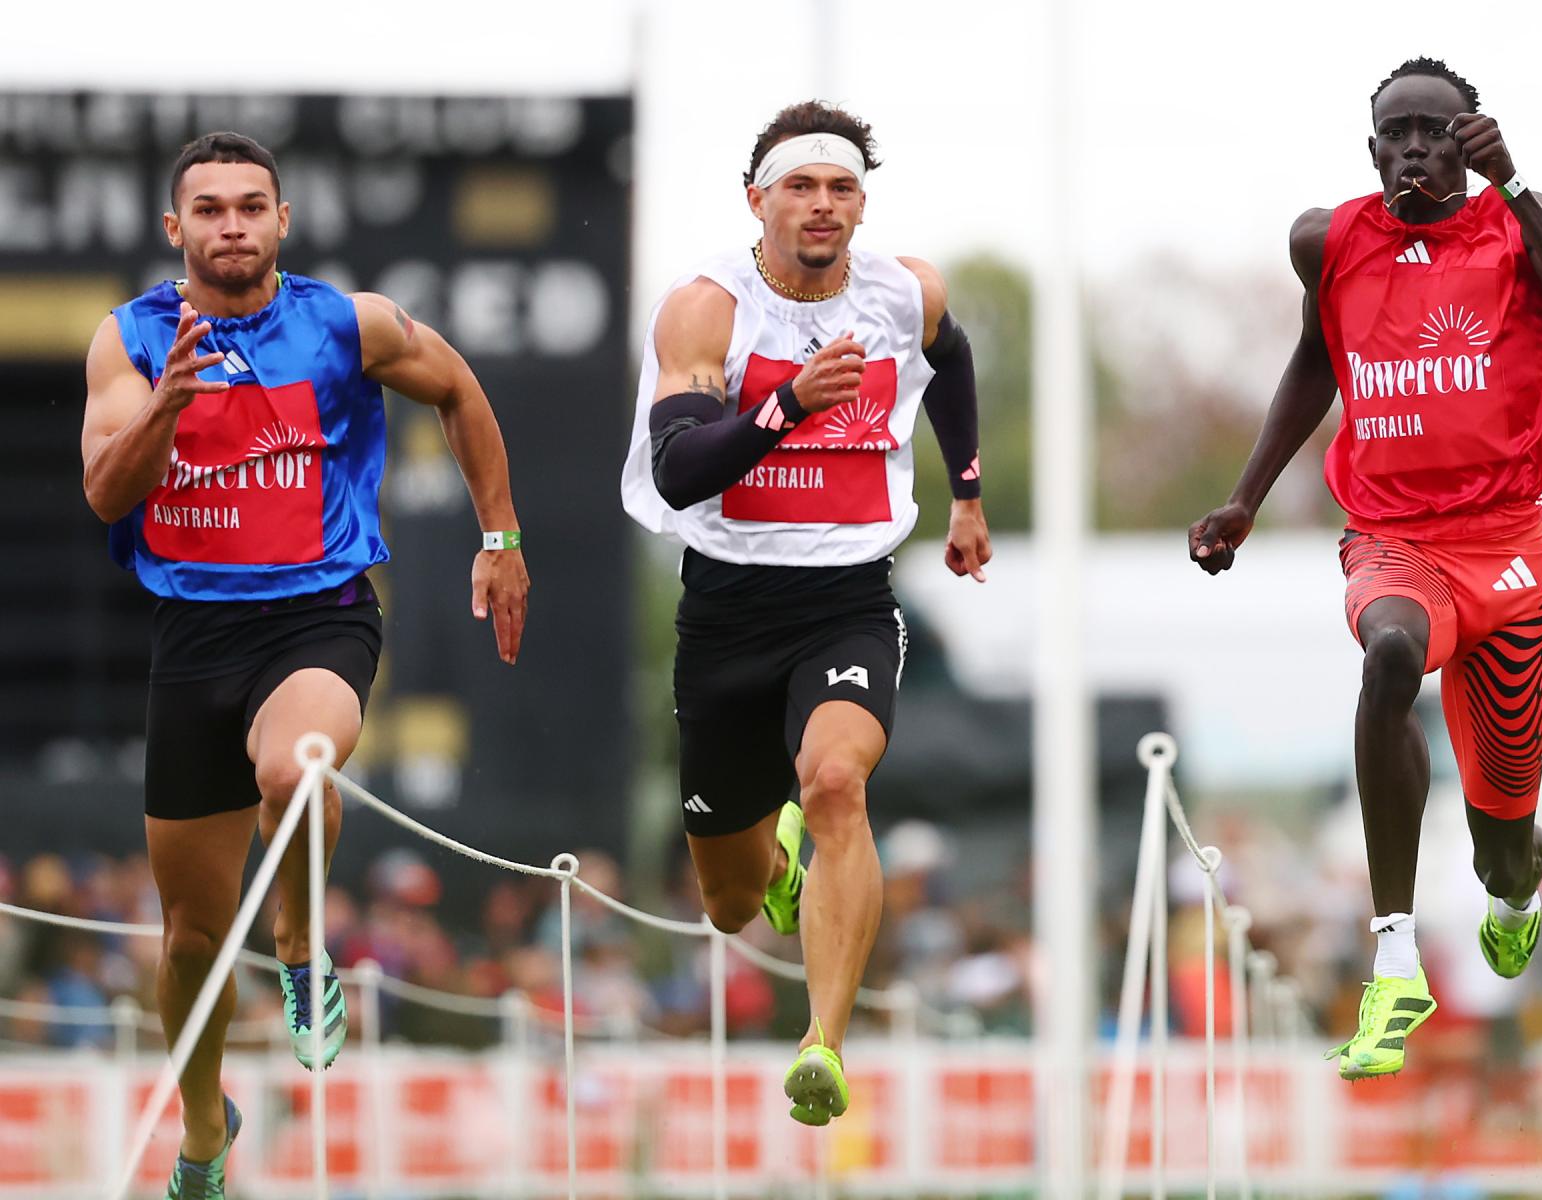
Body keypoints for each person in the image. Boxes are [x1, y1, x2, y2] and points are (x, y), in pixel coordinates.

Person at [80, 132, 529, 1197]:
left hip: (317, 617)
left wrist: (500, 538)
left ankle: (298, 945)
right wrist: (165, 407)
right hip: (192, 639)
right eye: (210, 209)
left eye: (250, 206)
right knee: (188, 939)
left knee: (298, 769)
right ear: (174, 229)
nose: (231, 225)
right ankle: (203, 1129)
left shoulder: (344, 323)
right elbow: (107, 492)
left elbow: (459, 389)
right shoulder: (130, 340)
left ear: (282, 220)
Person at [1187, 58, 1542, 1080]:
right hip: (1391, 537)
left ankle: (1511, 885)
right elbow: (1316, 358)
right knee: (1386, 656)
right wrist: (1244, 499)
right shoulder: (1328, 241)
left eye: (1439, 131)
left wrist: (1515, 186)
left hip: (1506, 546)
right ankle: (1393, 956)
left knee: (1498, 838)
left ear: (1472, 141)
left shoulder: (1520, 224)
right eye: (1399, 134)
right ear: (1372, 150)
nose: (1418, 149)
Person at [619, 100, 991, 1126]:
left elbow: (948, 359)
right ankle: (775, 867)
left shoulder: (901, 291)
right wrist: (786, 407)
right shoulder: (707, 311)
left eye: (839, 188)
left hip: (846, 601)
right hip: (727, 611)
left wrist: (963, 492)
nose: (821, 205)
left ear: (860, 204)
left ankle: (822, 1042)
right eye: (799, 186)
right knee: (730, 903)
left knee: (836, 783)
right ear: (757, 200)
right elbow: (682, 471)